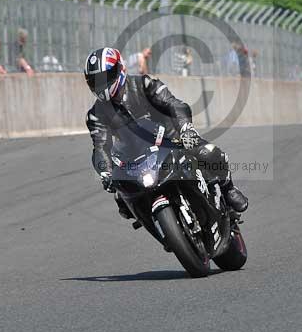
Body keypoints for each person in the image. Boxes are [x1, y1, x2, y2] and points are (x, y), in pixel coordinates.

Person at [84, 47, 248, 219]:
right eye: (96, 80)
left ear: (120, 69)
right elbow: (100, 146)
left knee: (208, 152)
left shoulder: (144, 84)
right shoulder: (96, 114)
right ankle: (158, 225)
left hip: (174, 139)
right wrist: (106, 172)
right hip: (136, 157)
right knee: (121, 197)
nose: (102, 84)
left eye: (106, 77)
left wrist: (186, 129)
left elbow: (175, 105)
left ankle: (228, 189)